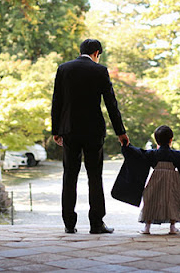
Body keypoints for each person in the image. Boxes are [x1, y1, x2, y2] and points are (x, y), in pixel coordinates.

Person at [51, 38, 129, 234]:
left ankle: (69, 223)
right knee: (95, 176)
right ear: (96, 53)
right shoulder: (100, 71)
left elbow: (57, 101)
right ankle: (96, 223)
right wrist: (121, 132)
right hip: (93, 131)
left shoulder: (64, 69)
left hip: (69, 129)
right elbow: (111, 104)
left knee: (70, 175)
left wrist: (56, 130)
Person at [112, 125, 180, 235]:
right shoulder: (177, 155)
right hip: (173, 182)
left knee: (150, 201)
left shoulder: (152, 154)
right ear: (171, 139)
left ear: (156, 140)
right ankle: (172, 227)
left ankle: (147, 227)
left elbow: (137, 154)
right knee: (173, 202)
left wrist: (127, 146)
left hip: (155, 181)